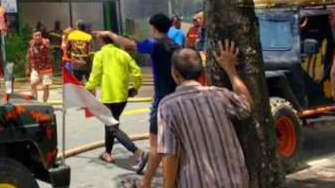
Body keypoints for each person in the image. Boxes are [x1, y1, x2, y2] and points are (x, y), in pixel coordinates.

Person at [100, 13, 180, 187]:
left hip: (161, 101)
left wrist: (112, 35)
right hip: (178, 99)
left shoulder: (154, 44)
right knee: (173, 145)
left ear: (153, 28)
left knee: (157, 145)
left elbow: (129, 44)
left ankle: (147, 182)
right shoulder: (176, 46)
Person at [158, 43, 253, 187]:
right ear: (201, 73)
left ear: (175, 73)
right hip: (236, 181)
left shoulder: (168, 106)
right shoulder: (220, 95)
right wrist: (230, 69)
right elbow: (247, 105)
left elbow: (170, 155)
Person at [85, 34, 148, 170]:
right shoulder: (123, 54)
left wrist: (86, 89)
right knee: (111, 124)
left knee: (112, 127)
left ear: (102, 40)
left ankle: (138, 152)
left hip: (108, 97)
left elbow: (94, 77)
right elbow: (137, 72)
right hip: (122, 96)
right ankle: (108, 153)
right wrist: (135, 87)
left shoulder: (100, 55)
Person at [26, 30, 53, 102]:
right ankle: (35, 102)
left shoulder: (46, 42)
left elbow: (49, 47)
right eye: (36, 35)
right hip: (35, 68)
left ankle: (44, 103)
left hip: (46, 69)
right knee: (33, 84)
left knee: (45, 87)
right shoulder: (30, 43)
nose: (38, 37)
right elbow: (28, 56)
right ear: (33, 37)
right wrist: (27, 68)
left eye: (39, 35)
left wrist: (47, 45)